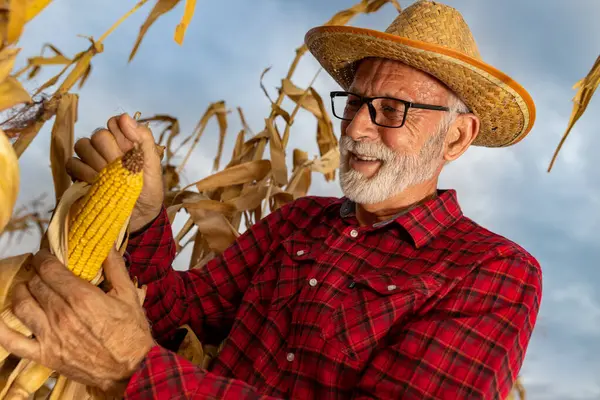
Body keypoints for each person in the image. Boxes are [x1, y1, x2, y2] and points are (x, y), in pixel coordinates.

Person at [0, 1, 542, 399]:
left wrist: (134, 370)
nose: (355, 127)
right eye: (353, 103)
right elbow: (170, 315)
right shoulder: (298, 224)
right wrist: (143, 217)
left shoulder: (492, 272)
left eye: (391, 109)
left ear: (456, 137)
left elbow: (140, 350)